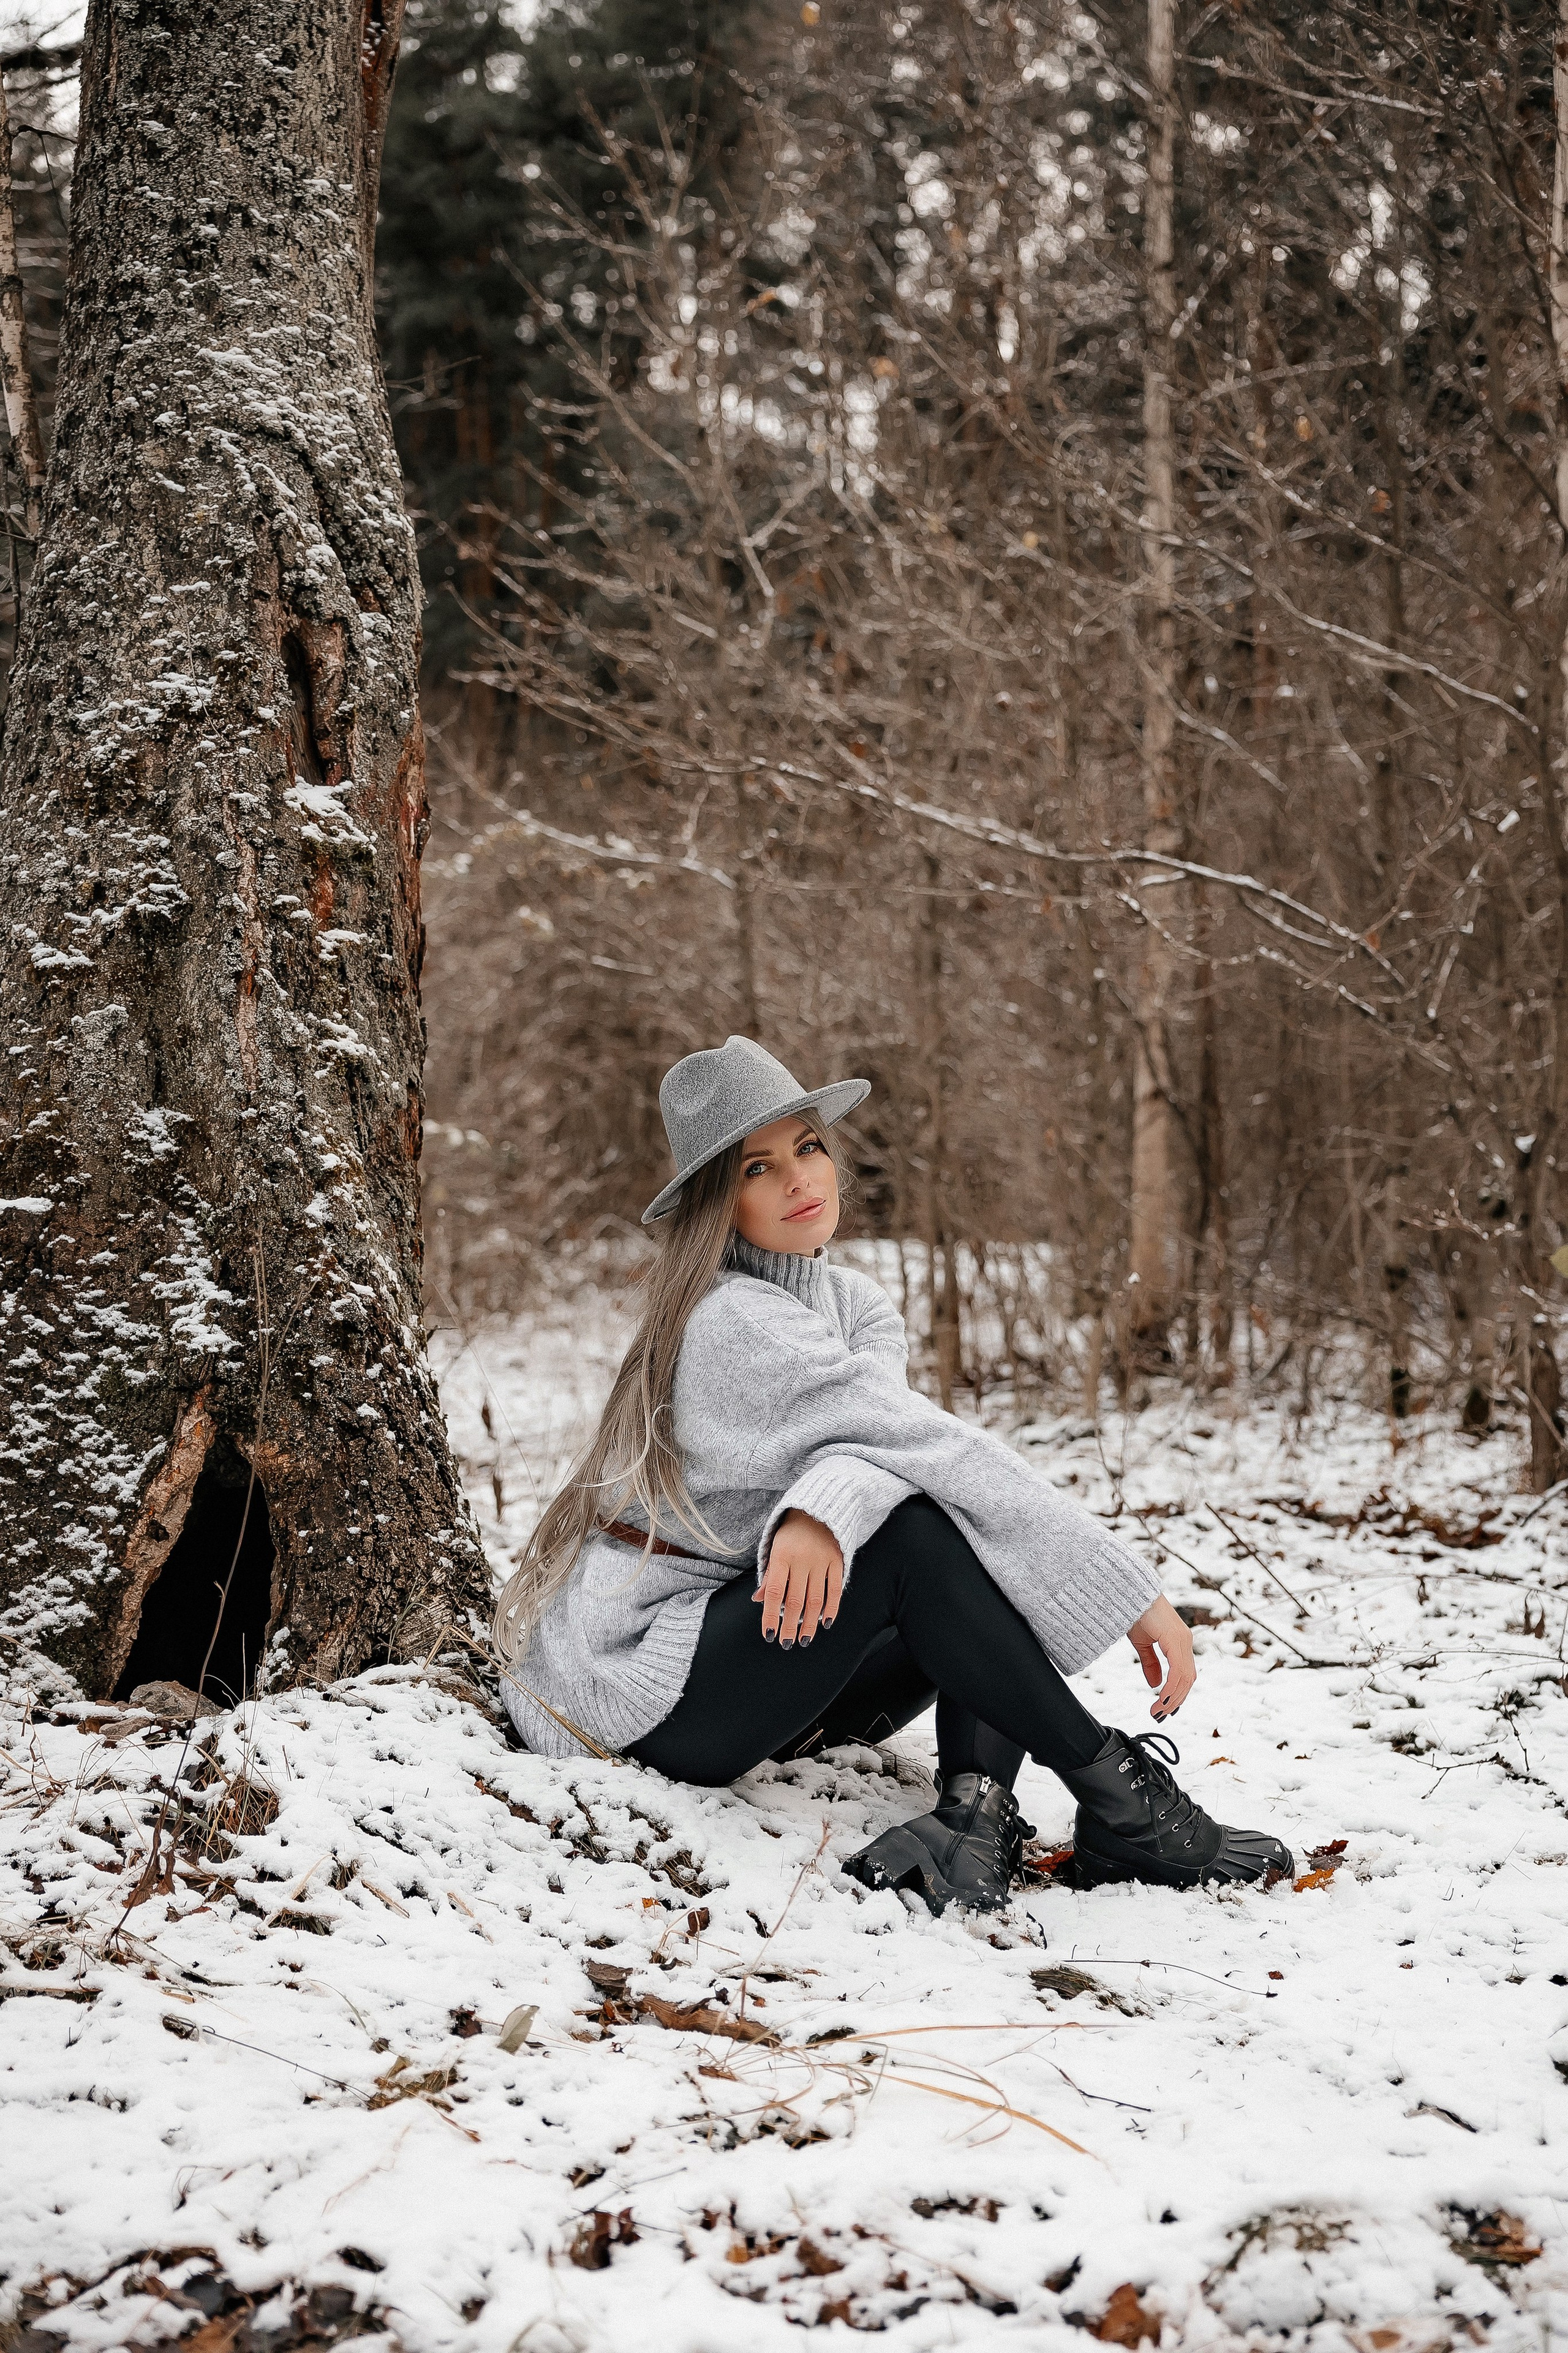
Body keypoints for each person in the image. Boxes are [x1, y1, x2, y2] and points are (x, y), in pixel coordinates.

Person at [494, 1038, 1294, 1914]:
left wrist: (819, 1512)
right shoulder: (731, 1320)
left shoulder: (855, 1305)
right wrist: (1130, 1592)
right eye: (758, 1168)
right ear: (720, 1204)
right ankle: (1120, 1799)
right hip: (638, 1690)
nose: (799, 1179)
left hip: (753, 1663)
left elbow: (886, 1449)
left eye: (807, 1147)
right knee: (922, 1534)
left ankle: (973, 1814)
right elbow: (919, 1447)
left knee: (964, 1534)